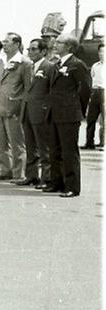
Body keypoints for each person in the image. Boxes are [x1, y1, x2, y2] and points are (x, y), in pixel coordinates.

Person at [43, 34, 91, 197]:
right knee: (54, 150)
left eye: (60, 42)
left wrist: (78, 109)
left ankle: (72, 186)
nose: (55, 44)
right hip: (54, 113)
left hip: (69, 114)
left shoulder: (77, 65)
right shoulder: (57, 64)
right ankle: (57, 182)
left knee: (69, 151)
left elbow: (85, 90)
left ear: (69, 46)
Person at [0, 32, 32, 182]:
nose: (4, 44)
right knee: (1, 141)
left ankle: (19, 173)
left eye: (7, 42)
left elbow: (28, 88)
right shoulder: (1, 61)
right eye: (3, 42)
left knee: (16, 142)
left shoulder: (25, 63)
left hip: (13, 107)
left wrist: (21, 107)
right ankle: (6, 169)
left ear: (17, 44)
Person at [19, 38, 52, 187]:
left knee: (44, 147)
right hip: (27, 111)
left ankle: (47, 178)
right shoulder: (29, 67)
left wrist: (46, 110)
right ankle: (31, 176)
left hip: (41, 112)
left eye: (34, 49)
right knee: (30, 146)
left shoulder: (49, 67)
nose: (30, 52)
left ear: (43, 51)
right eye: (29, 49)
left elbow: (51, 91)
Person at [83, 43, 104, 149]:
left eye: (104, 52)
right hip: (95, 92)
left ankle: (103, 143)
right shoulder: (95, 66)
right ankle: (89, 143)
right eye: (100, 51)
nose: (102, 54)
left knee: (104, 120)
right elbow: (93, 78)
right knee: (91, 118)